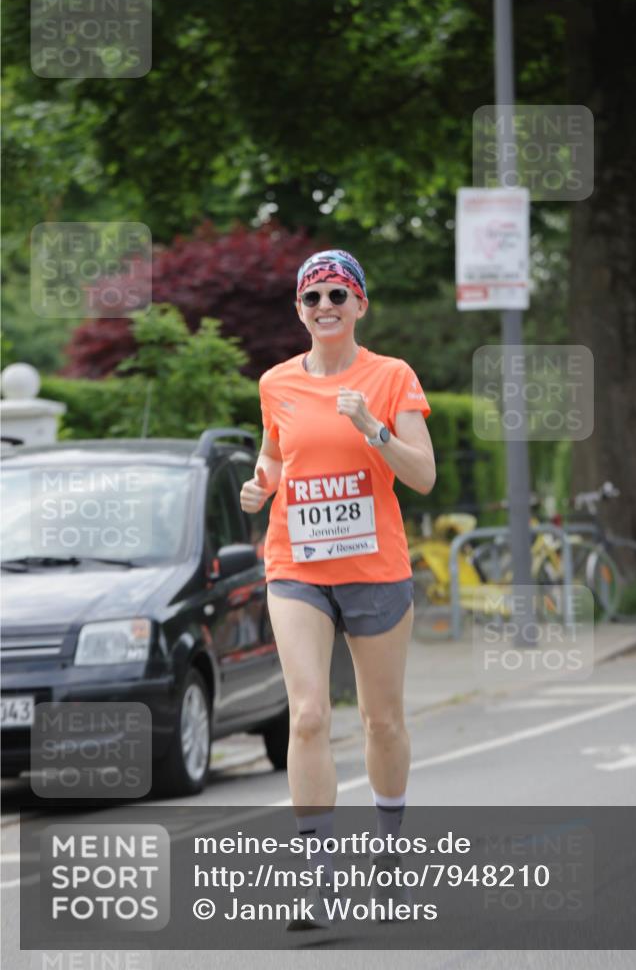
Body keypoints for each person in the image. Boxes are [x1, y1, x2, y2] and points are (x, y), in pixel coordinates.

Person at [240, 249, 435, 929]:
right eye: (312, 297)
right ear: (299, 309)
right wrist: (259, 485)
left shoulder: (389, 377)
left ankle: (387, 858)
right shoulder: (275, 384)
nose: (324, 306)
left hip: (375, 569)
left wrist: (372, 428)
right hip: (296, 566)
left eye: (336, 295)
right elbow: (274, 454)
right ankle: (317, 884)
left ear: (359, 306)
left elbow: (423, 477)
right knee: (310, 715)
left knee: (381, 721)